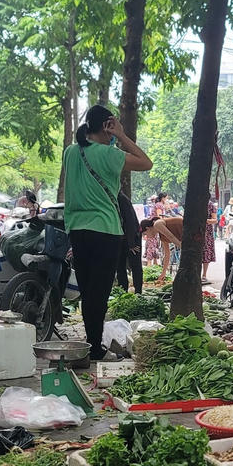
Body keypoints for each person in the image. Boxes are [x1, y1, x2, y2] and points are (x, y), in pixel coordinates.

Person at [63, 104, 152, 360]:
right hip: (105, 230)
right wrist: (123, 136)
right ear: (107, 126)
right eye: (112, 128)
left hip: (77, 230)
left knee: (88, 290)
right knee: (100, 293)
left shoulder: (71, 152)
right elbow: (146, 163)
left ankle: (90, 344)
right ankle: (94, 349)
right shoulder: (109, 154)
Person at [140, 215, 184, 283]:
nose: (147, 237)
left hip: (188, 230)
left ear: (147, 228)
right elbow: (167, 254)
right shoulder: (161, 235)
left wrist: (183, 248)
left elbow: (171, 237)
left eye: (145, 234)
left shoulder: (157, 224)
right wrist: (163, 272)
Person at [201, 199, 217, 283]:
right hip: (195, 231)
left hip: (207, 232)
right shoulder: (194, 203)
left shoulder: (211, 205)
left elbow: (215, 219)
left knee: (206, 253)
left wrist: (205, 221)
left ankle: (204, 275)